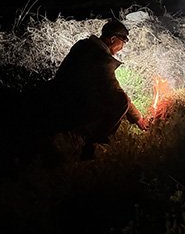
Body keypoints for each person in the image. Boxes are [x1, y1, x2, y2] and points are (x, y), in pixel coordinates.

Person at [49, 19, 147, 158]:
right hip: (70, 104)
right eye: (123, 42)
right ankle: (91, 141)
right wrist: (138, 118)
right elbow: (115, 90)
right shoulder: (100, 59)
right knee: (121, 101)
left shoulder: (83, 45)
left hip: (59, 95)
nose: (122, 48)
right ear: (113, 39)